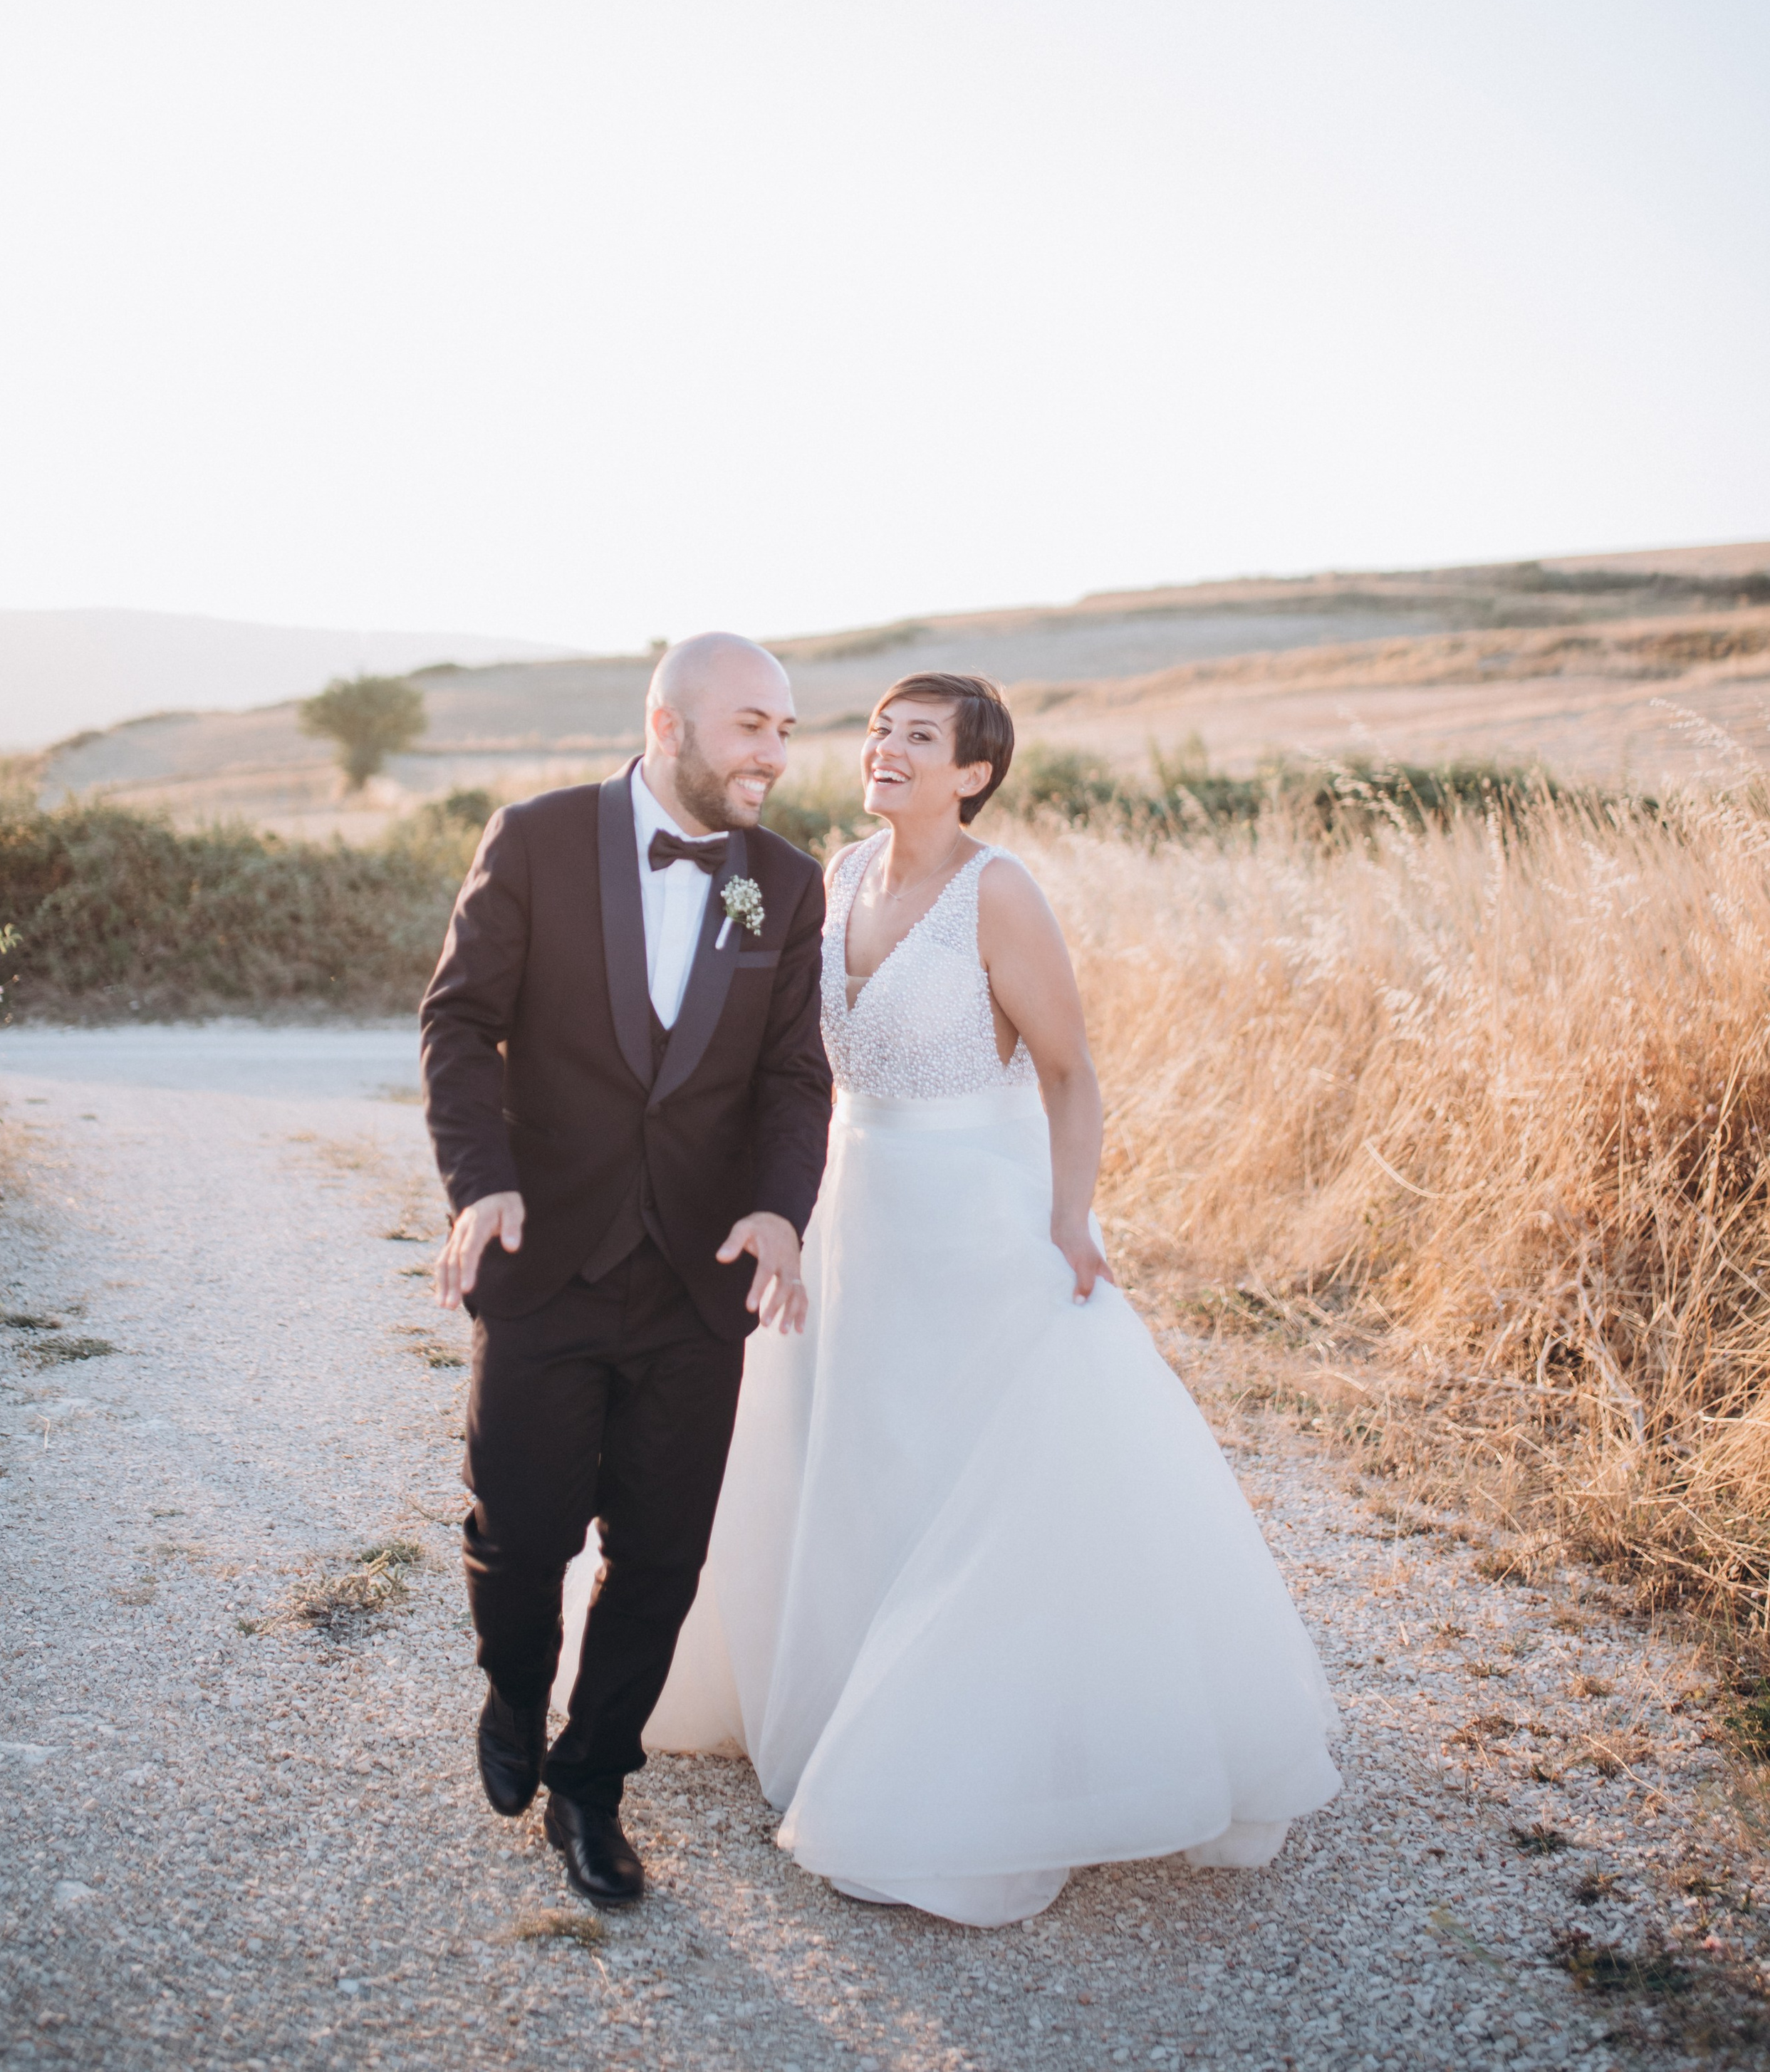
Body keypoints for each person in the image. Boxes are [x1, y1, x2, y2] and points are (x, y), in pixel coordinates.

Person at [626, 670, 1341, 1925]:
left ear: (974, 774)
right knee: (843, 1459)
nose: (887, 751)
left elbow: (1071, 1073)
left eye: (921, 739)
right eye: (880, 732)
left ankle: (967, 1756)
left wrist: (1069, 1219)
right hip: (853, 1212)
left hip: (979, 1215)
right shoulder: (826, 878)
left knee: (974, 1473)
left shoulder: (998, 894)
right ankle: (844, 1698)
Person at [420, 634, 833, 1906]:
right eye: (752, 726)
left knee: (661, 1556)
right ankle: (510, 1690)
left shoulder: (778, 885)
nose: (774, 753)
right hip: (547, 1258)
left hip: (696, 1280)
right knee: (522, 1529)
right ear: (669, 724)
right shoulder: (536, 839)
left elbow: (788, 1072)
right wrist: (481, 1177)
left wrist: (779, 1209)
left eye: (785, 730)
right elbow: (459, 1023)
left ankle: (592, 1785)